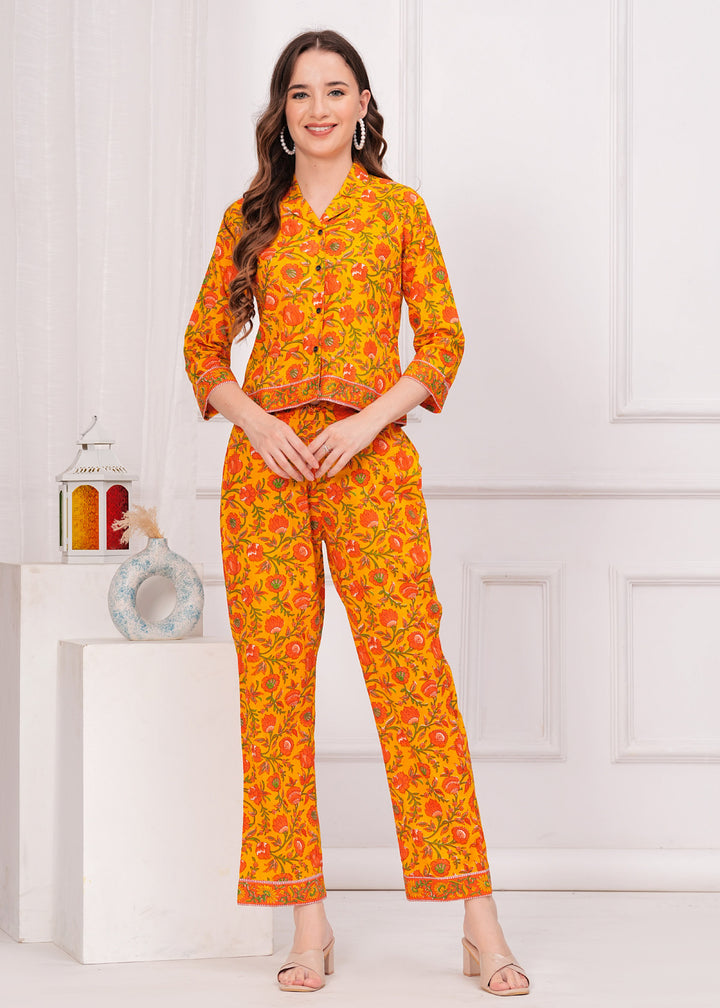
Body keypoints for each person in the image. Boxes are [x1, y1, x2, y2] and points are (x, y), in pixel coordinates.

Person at [184, 29, 530, 997]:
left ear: (364, 103)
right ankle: (310, 925)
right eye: (301, 93)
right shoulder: (251, 217)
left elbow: (443, 340)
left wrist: (368, 420)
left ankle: (480, 924)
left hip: (370, 467)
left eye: (336, 91)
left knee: (414, 683)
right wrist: (258, 425)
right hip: (266, 478)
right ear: (282, 111)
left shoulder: (398, 211)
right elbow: (203, 349)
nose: (319, 109)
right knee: (275, 694)